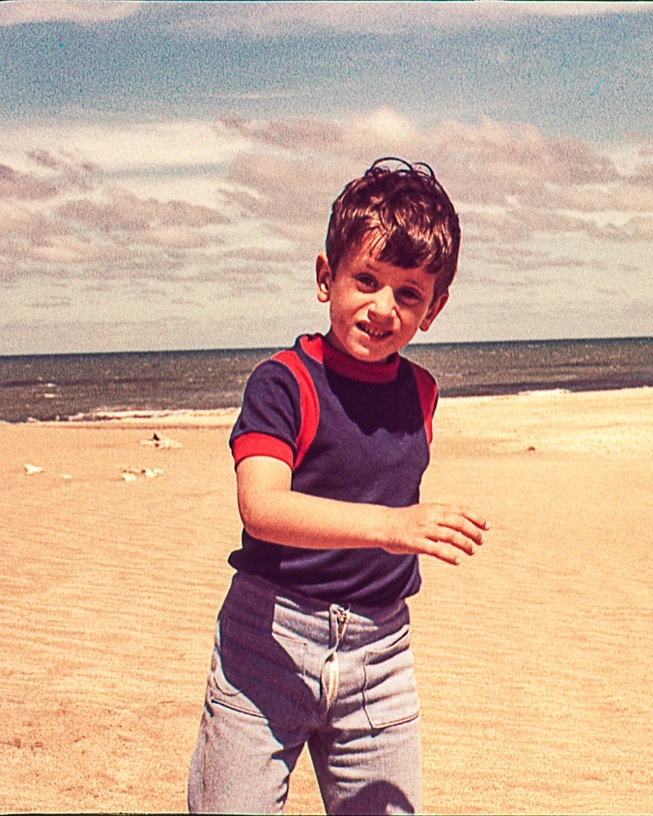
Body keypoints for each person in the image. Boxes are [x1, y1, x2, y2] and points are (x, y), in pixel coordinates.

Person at [188, 158, 489, 815]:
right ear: (327, 278)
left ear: (433, 310)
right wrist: (392, 526)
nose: (384, 308)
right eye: (367, 280)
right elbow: (261, 507)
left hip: (379, 653)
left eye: (408, 294)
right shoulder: (283, 383)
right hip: (268, 641)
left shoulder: (421, 392)